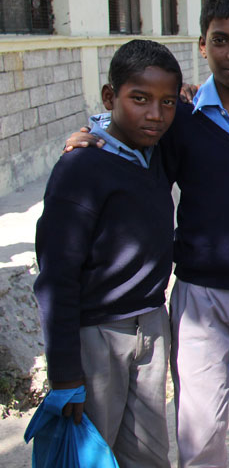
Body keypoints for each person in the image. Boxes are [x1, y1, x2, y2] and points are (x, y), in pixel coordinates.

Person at [64, 0, 229, 468]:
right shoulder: (182, 118)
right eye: (221, 40)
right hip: (198, 296)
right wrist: (95, 134)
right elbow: (141, 163)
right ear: (202, 45)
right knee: (199, 427)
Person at [34, 39, 182, 467]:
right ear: (109, 97)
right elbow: (57, 275)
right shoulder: (81, 167)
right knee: (92, 451)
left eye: (166, 102)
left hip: (151, 325)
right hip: (97, 335)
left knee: (149, 453)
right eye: (139, 99)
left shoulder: (152, 153)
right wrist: (64, 372)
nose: (154, 114)